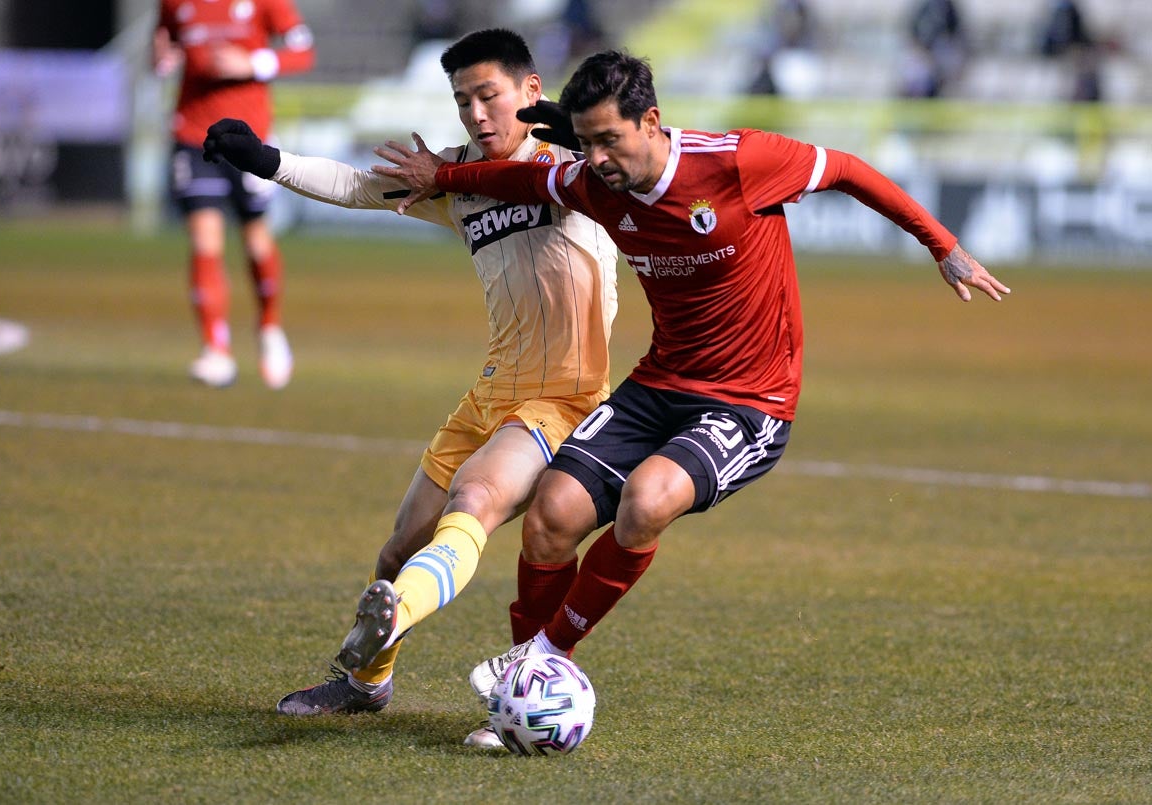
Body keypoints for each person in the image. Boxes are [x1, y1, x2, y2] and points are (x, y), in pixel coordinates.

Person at [372, 49, 1011, 735]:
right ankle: (520, 690)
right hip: (658, 383)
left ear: (650, 120)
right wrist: (443, 175)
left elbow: (849, 170)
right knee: (550, 514)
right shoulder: (593, 182)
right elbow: (522, 182)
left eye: (609, 139)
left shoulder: (737, 164)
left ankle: (541, 656)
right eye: (584, 143)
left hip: (749, 400)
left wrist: (941, 245)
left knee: (646, 500)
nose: (597, 158)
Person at [201, 29, 619, 748]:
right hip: (490, 390)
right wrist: (265, 161)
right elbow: (362, 188)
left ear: (527, 89)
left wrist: (570, 124)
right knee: (397, 550)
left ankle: (399, 616)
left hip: (564, 395)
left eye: (489, 95)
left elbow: (655, 152)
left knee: (478, 500)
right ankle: (367, 684)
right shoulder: (450, 175)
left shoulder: (582, 163)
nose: (477, 114)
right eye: (462, 101)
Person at [154, 0, 315, 388]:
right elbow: (162, 44)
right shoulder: (175, 2)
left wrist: (252, 63)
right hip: (192, 134)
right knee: (203, 238)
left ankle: (269, 329)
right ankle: (216, 350)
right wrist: (162, 58)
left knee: (255, 236)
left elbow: (303, 51)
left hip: (249, 138)